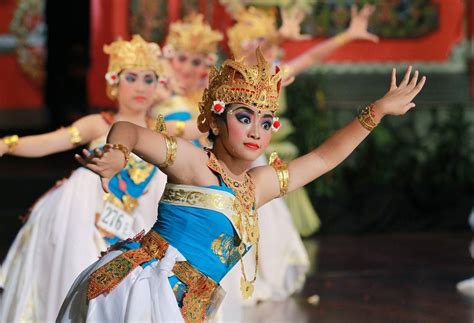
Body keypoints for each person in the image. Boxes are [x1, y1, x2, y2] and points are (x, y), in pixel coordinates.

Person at [57, 48, 425, 322]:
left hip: (190, 305)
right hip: (145, 296)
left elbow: (324, 158)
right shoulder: (195, 164)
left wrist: (375, 112)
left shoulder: (257, 184)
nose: (256, 132)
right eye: (244, 117)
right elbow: (131, 131)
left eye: (266, 123)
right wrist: (119, 154)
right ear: (215, 122)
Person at [221, 3, 379, 306]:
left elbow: (311, 57)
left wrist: (347, 35)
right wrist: (278, 36)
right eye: (252, 42)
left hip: (259, 163)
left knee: (267, 225)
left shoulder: (273, 76)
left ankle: (254, 279)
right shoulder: (230, 80)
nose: (260, 47)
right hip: (230, 164)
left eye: (261, 41)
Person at [0, 35, 167, 322]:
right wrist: (8, 144)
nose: (141, 87)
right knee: (79, 270)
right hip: (86, 213)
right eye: (132, 77)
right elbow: (51, 142)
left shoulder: (164, 130)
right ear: (115, 82)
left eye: (148, 79)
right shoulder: (98, 123)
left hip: (141, 217)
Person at [151, 13, 223, 146]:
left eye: (196, 62)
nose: (187, 68)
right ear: (170, 56)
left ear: (206, 65)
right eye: (182, 59)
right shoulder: (159, 88)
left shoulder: (209, 95)